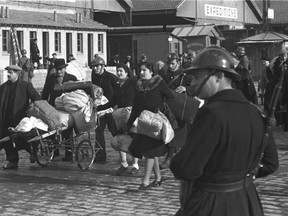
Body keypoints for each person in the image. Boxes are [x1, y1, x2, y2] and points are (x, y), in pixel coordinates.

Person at [170, 46, 279, 216]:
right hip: (247, 201)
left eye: (198, 76)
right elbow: (271, 163)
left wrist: (176, 161)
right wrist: (240, 175)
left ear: (219, 76)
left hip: (211, 204)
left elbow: (186, 168)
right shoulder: (255, 112)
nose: (193, 83)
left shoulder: (211, 113)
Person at [126, 62, 174, 190]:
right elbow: (136, 107)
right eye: (140, 70)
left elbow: (170, 96)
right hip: (143, 124)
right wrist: (129, 124)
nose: (141, 73)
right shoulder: (139, 86)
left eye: (144, 70)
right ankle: (158, 178)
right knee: (150, 152)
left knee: (149, 153)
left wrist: (161, 108)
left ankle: (145, 181)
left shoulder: (159, 83)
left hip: (155, 124)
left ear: (151, 72)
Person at [97, 63, 139, 175]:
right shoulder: (117, 85)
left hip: (132, 114)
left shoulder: (133, 83)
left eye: (121, 71)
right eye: (117, 71)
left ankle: (135, 164)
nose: (119, 73)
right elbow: (113, 101)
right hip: (120, 114)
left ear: (126, 72)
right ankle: (124, 163)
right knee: (121, 137)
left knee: (134, 138)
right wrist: (99, 108)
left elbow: (140, 97)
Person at [0, 65, 41, 169]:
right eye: (8, 73)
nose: (8, 75)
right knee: (8, 141)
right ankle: (12, 161)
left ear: (17, 73)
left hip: (21, 119)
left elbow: (36, 97)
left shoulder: (25, 85)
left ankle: (34, 153)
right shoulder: (3, 87)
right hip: (6, 119)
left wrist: (34, 106)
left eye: (11, 73)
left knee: (26, 139)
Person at [160, 52, 193, 170]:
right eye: (168, 63)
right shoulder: (164, 74)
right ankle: (171, 154)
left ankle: (170, 157)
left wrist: (186, 88)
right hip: (167, 107)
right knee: (168, 130)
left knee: (179, 132)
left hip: (181, 108)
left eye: (172, 63)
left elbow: (195, 88)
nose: (170, 66)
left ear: (178, 63)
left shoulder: (185, 75)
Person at [42, 59, 78, 161]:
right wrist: (42, 104)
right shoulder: (50, 79)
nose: (59, 72)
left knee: (67, 130)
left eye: (61, 69)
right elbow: (45, 93)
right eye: (57, 70)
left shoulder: (71, 78)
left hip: (66, 108)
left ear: (65, 68)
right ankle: (55, 150)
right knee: (51, 128)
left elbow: (77, 94)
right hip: (53, 107)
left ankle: (69, 152)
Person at [91, 56, 119, 163]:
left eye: (97, 66)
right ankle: (100, 155)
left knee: (115, 132)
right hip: (101, 108)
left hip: (112, 109)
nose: (95, 69)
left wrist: (115, 106)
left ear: (103, 66)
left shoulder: (112, 78)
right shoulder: (94, 76)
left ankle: (124, 154)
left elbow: (118, 93)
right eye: (93, 67)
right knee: (98, 132)